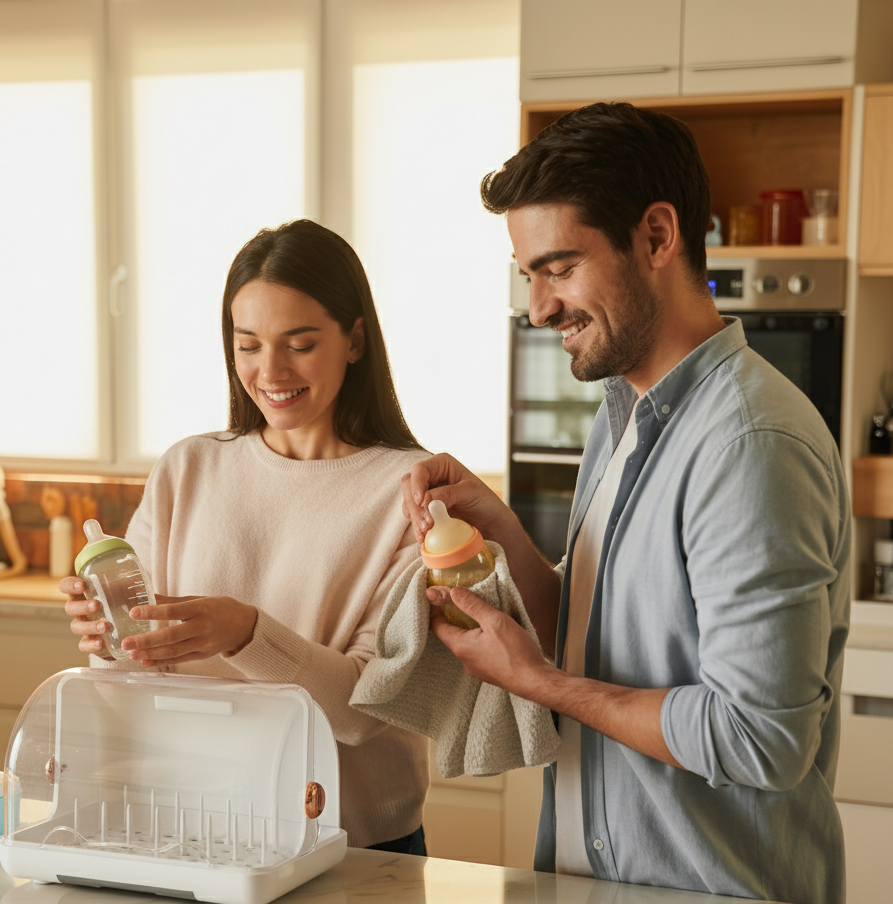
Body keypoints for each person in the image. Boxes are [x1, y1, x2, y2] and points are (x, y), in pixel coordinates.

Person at [401, 102, 850, 903]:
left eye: (560, 267)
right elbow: (592, 636)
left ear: (656, 237)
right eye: (529, 275)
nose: (539, 308)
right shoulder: (622, 415)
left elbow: (761, 737)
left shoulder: (749, 444)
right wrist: (500, 528)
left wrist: (540, 684)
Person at [60, 218, 431, 855]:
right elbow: (133, 688)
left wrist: (246, 634)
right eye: (249, 344)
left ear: (355, 340)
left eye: (300, 343)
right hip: (192, 829)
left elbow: (365, 710)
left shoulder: (413, 489)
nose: (271, 370)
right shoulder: (187, 468)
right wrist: (111, 636)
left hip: (353, 846)